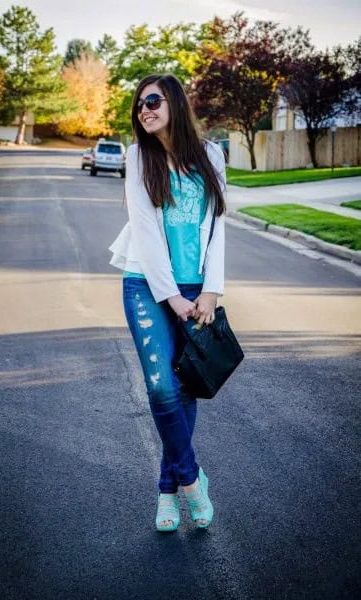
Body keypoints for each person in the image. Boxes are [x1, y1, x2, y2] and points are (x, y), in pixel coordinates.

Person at [109, 73, 226, 532]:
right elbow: (146, 232)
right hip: (146, 283)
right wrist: (173, 297)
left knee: (186, 386)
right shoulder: (138, 157)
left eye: (153, 100)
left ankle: (165, 490)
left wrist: (211, 289)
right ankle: (191, 482)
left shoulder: (212, 155)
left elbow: (218, 228)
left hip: (198, 287)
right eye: (139, 105)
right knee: (160, 387)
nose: (145, 110)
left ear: (175, 102)